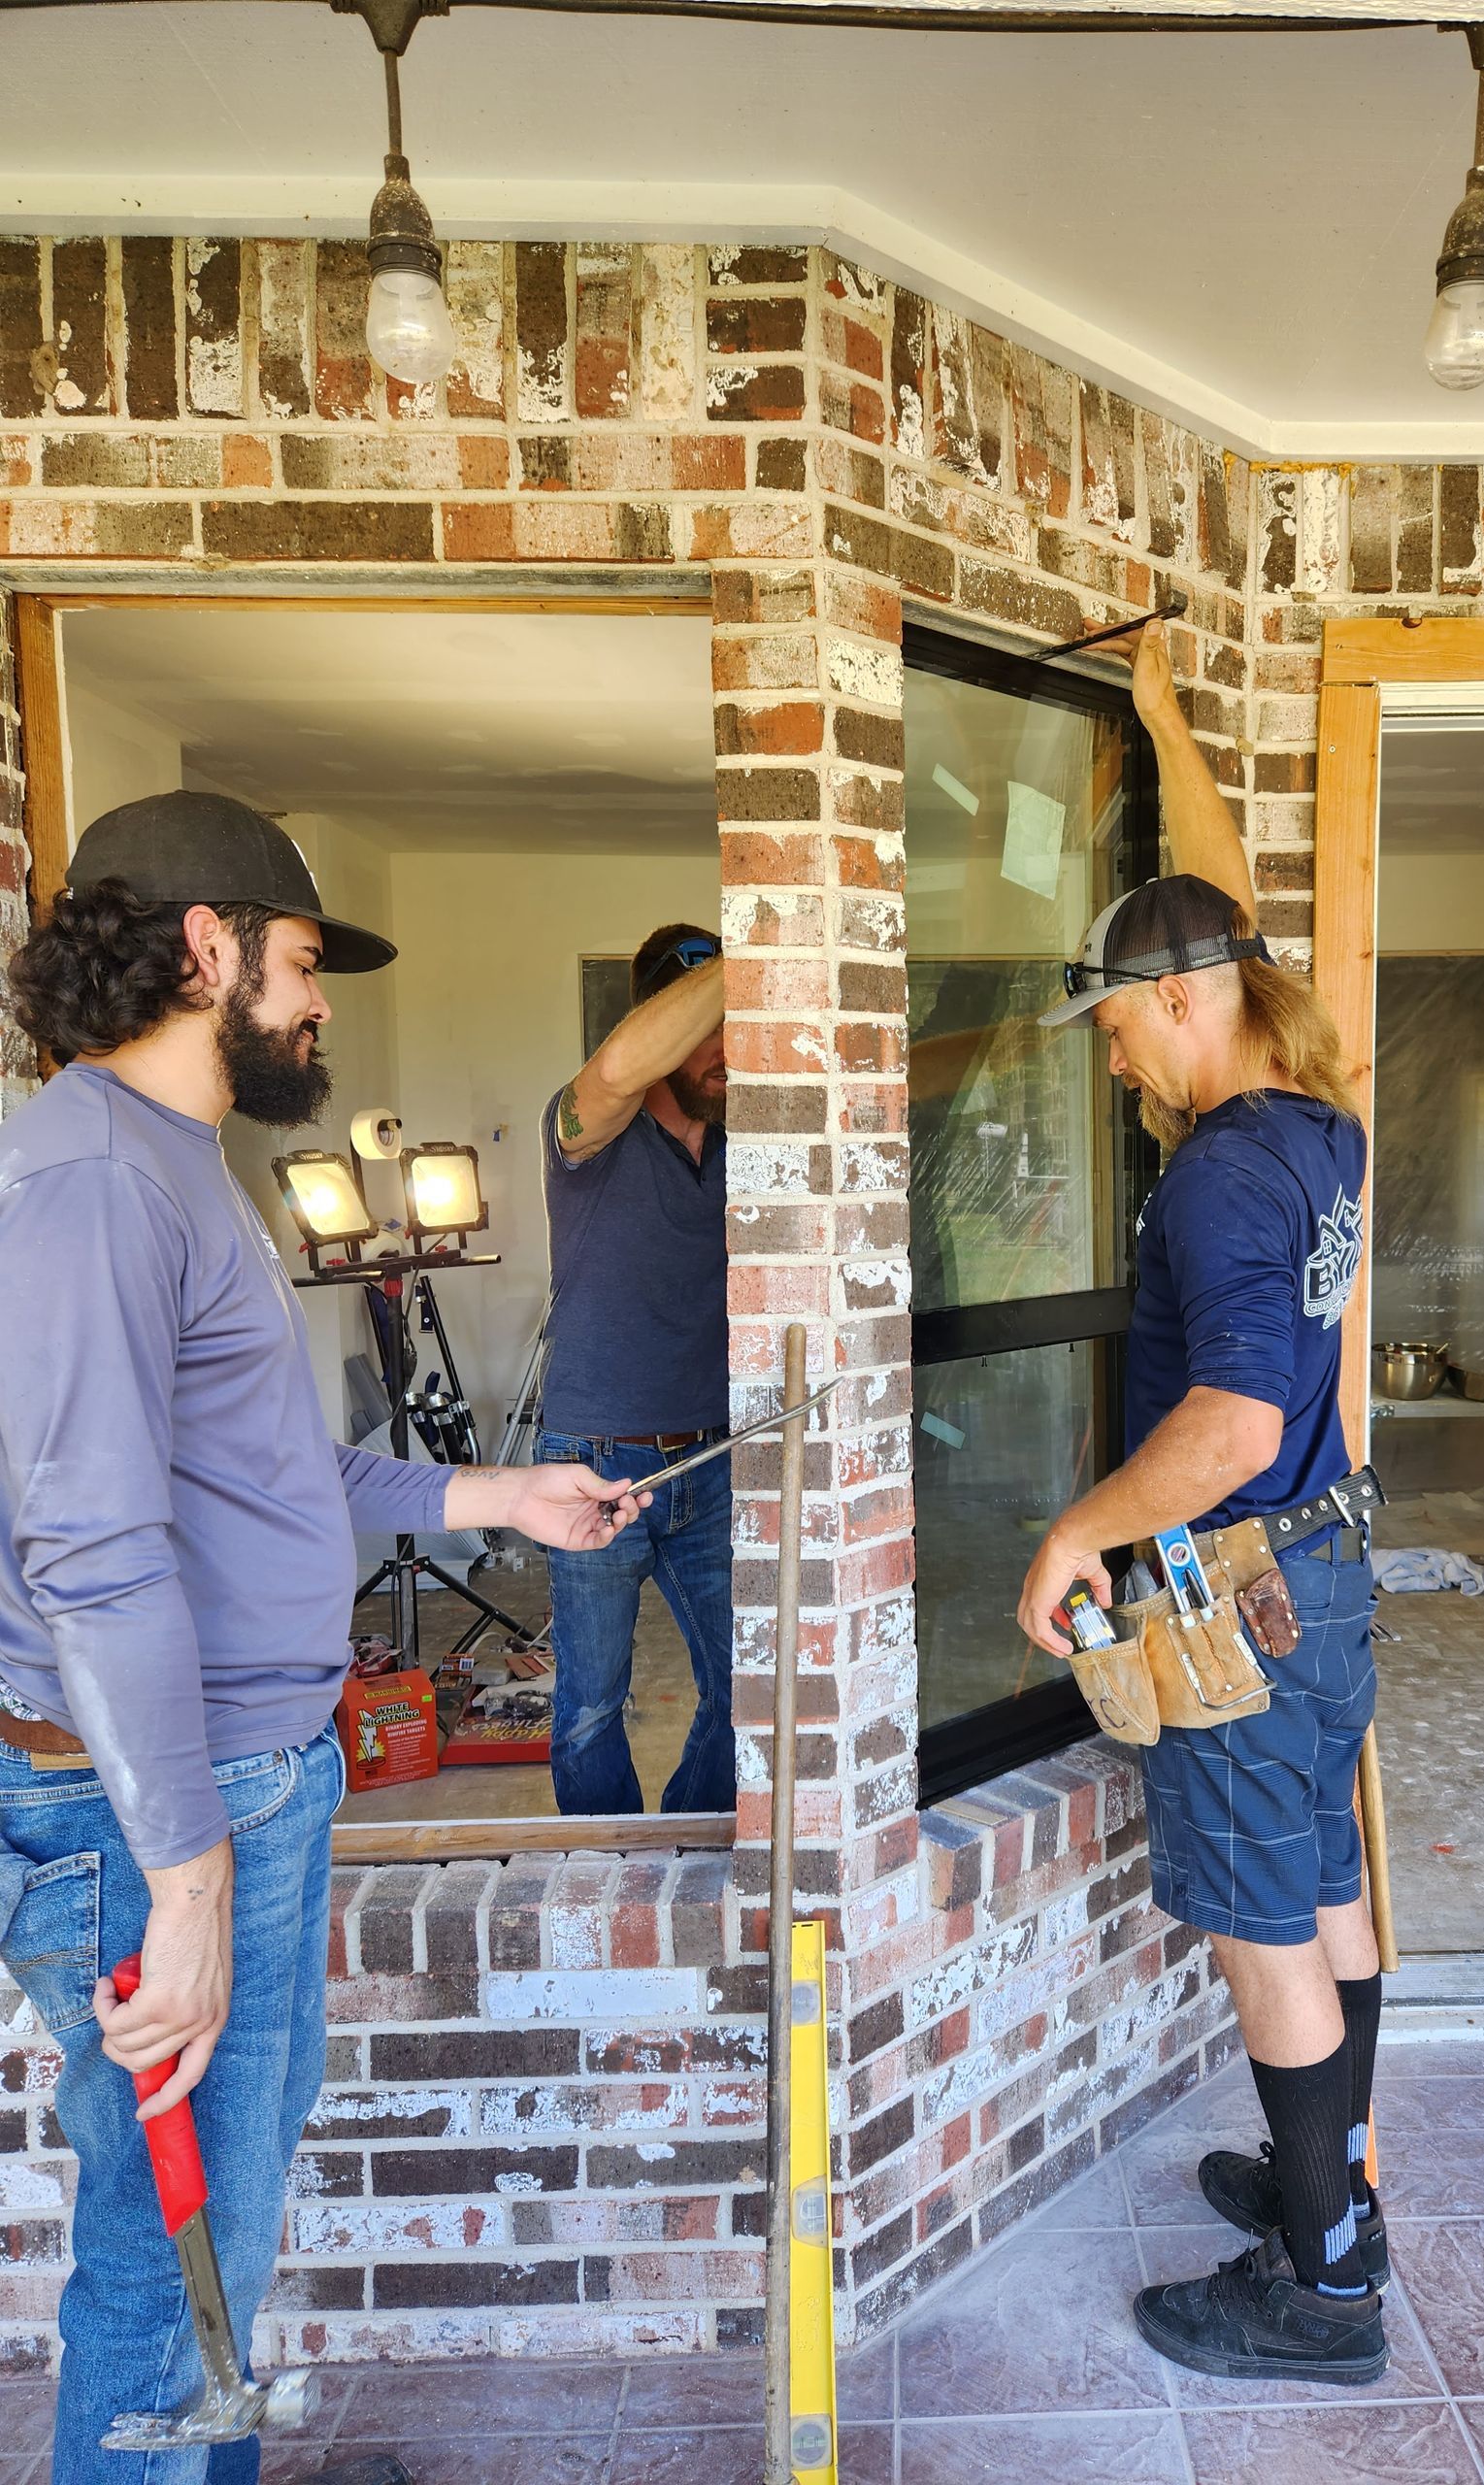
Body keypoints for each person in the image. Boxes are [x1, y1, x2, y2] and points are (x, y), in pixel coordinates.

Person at [0, 792, 646, 2484]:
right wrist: (191, 1882)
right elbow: (93, 1555)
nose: (320, 1005)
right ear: (202, 950)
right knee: (166, 2269)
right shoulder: (89, 1184)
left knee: (230, 2230)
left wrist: (507, 1494)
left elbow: (276, 1470)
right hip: (164, 1810)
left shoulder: (176, 1164)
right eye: (300, 965)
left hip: (229, 1786)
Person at [1016, 622, 1387, 2386]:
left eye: (1114, 1029)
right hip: (1331, 1574)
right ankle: (1333, 2178)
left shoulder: (1228, 1177)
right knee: (1323, 1893)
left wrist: (1079, 1527)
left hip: (1240, 1582)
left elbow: (1232, 1424)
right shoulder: (1317, 1125)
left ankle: (1323, 2289)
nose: (1108, 1064)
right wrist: (1160, 715)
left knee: (1259, 1936)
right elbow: (1221, 909)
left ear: (1179, 1001)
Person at [538, 922, 733, 1815]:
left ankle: (680, 1855)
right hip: (593, 1460)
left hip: (713, 1462)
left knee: (746, 1695)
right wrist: (765, 953)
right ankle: (602, 1877)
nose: (728, 1054)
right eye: (707, 1031)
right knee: (589, 1710)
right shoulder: (586, 1133)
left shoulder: (745, 1145)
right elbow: (615, 1074)